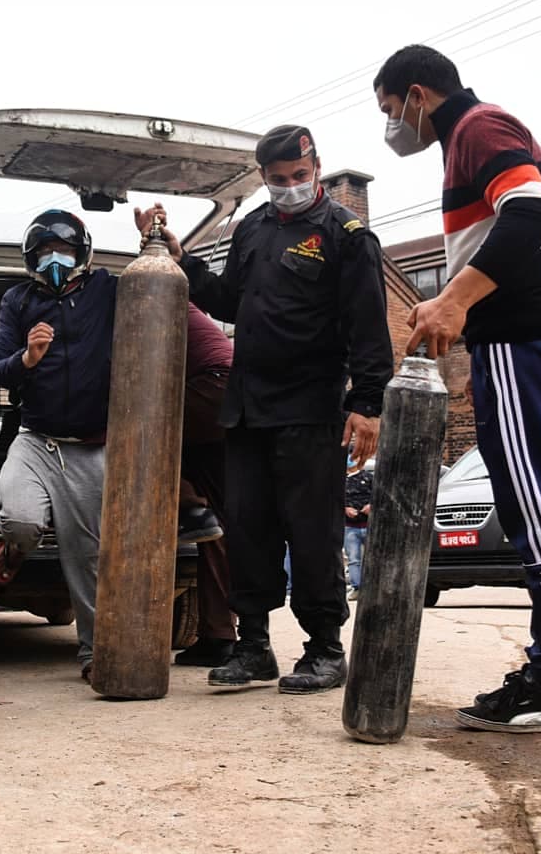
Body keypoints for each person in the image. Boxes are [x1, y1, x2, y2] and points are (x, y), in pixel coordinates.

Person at [376, 45, 541, 732]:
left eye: (390, 111)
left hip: (526, 342)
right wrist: (451, 303)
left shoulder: (477, 127)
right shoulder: (475, 136)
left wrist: (457, 303)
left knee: (538, 511)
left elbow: (528, 215)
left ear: (418, 95)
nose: (391, 128)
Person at [138, 123, 392, 696]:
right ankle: (252, 646)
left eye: (300, 177)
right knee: (247, 528)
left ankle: (325, 648)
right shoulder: (252, 227)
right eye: (278, 180)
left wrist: (367, 404)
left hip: (311, 408)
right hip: (248, 409)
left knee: (312, 532)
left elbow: (370, 330)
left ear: (317, 167)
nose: (290, 187)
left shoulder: (347, 236)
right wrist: (184, 261)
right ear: (264, 178)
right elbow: (228, 299)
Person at [0, 210, 114, 681]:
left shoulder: (107, 290)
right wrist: (27, 357)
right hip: (36, 440)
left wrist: (154, 243)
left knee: (86, 558)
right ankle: (15, 551)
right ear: (30, 259)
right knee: (20, 520)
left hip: (90, 446)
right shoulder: (17, 301)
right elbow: (0, 368)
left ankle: (94, 655)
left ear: (82, 253)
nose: (54, 260)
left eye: (61, 251)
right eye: (44, 253)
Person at [173, 303, 238, 668]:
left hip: (210, 387)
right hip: (230, 400)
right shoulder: (192, 310)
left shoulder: (148, 297)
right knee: (217, 530)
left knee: (134, 424)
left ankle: (190, 503)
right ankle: (220, 635)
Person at [343, 460, 373, 601]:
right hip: (350, 526)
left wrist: (370, 506)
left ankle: (373, 587)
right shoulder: (340, 481)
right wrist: (345, 509)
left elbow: (379, 495)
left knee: (373, 558)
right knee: (354, 559)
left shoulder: (368, 477)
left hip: (369, 525)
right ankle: (357, 587)